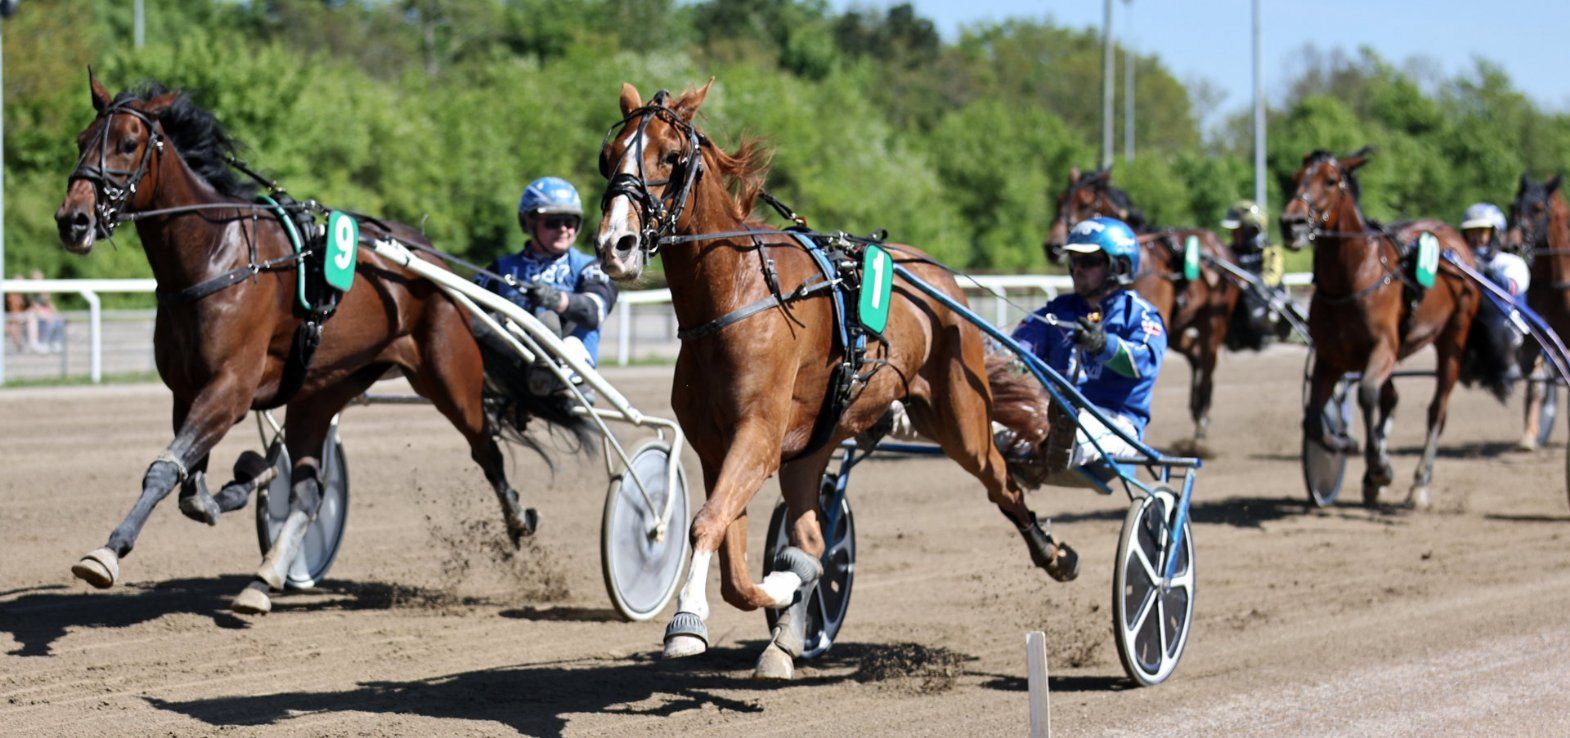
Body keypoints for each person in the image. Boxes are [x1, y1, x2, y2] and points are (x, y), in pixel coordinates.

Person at [1012, 217, 1167, 473]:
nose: (1078, 269)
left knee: (1071, 433)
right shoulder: (1059, 309)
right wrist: (1004, 358)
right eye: (1074, 260)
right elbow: (1024, 343)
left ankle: (1055, 444)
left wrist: (1103, 345)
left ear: (1120, 265)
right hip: (1054, 413)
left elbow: (1144, 362)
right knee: (997, 421)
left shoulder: (1139, 315)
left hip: (1115, 423)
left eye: (1090, 261)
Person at [475, 176, 617, 395]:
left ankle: (547, 372)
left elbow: (594, 312)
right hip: (511, 372)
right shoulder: (501, 269)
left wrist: (555, 299)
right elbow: (466, 312)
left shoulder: (589, 267)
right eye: (553, 222)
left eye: (570, 222)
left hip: (570, 379)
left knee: (551, 322)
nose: (563, 229)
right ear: (529, 223)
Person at [1220, 199, 1290, 347]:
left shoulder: (1270, 251)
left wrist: (1252, 283)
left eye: (1238, 230)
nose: (1234, 235)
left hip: (1263, 300)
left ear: (1251, 230)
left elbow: (1273, 276)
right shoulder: (1229, 253)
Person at [25, 270, 66, 354]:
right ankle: (43, 342)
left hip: (44, 311)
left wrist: (57, 314)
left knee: (59, 321)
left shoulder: (44, 290)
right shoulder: (30, 291)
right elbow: (35, 306)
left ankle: (55, 342)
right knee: (49, 322)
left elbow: (49, 304)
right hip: (36, 312)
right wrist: (46, 315)